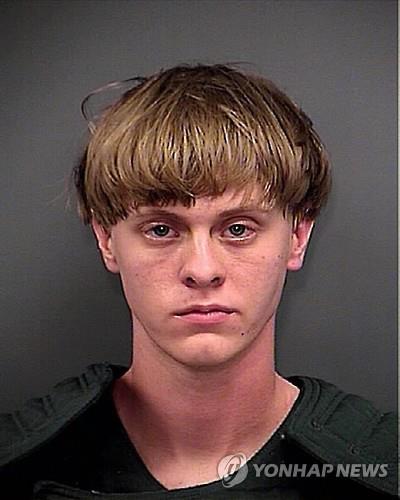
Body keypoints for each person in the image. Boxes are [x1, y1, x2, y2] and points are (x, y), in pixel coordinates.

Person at [0, 64, 397, 499]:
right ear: (107, 240)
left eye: (238, 229)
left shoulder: (383, 468)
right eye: (161, 230)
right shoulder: (20, 464)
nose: (202, 270)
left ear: (297, 238)